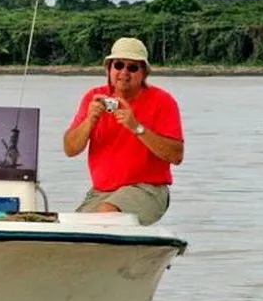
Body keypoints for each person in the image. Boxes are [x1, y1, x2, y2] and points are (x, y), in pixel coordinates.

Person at [63, 37, 184, 225]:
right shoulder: (94, 98)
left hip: (148, 189)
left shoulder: (162, 101)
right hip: (102, 191)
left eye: (133, 67)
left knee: (107, 213)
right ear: (109, 69)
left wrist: (137, 127)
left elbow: (176, 156)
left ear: (143, 73)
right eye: (118, 65)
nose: (124, 73)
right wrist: (89, 121)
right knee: (70, 227)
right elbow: (70, 149)